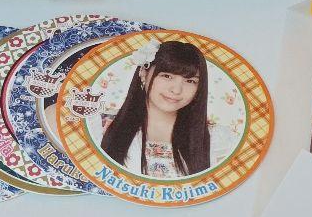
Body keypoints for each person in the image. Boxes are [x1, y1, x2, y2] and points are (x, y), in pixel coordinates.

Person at [98, 40, 230, 178]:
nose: (176, 90)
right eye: (167, 76)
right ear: (143, 73)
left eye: (190, 81)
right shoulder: (103, 127)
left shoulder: (217, 140)